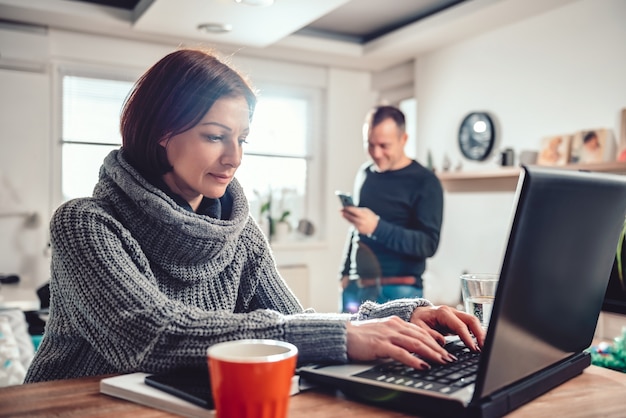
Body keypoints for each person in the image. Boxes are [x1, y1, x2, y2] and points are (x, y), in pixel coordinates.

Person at [24, 48, 482, 383]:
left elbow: (293, 320)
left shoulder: (238, 233)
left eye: (243, 138)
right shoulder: (85, 224)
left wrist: (403, 314)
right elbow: (150, 337)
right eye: (215, 136)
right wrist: (344, 335)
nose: (234, 157)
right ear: (162, 131)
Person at [339, 105, 443, 312]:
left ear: (404, 139)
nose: (376, 153)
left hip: (399, 291)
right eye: (370, 144)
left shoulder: (425, 181)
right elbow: (358, 228)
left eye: (384, 145)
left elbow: (428, 244)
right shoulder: (365, 173)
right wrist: (344, 273)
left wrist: (377, 227)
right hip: (356, 287)